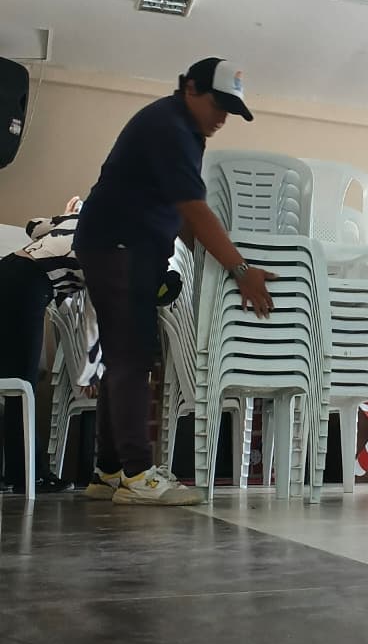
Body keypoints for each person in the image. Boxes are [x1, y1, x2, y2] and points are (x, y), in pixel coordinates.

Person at [74, 57, 275, 507]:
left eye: (230, 110)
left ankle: (109, 471)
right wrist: (241, 270)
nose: (222, 118)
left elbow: (182, 215)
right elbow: (194, 211)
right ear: (190, 88)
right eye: (217, 105)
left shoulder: (182, 129)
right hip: (120, 244)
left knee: (123, 354)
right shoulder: (171, 127)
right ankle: (137, 474)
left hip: (122, 245)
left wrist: (209, 258)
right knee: (132, 354)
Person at [0, 196, 102, 493]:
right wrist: (90, 373)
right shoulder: (108, 247)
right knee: (22, 383)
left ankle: (17, 473)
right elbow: (93, 317)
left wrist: (63, 217)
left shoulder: (79, 221)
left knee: (11, 380)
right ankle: (28, 476)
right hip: (27, 284)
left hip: (8, 268)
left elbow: (34, 226)